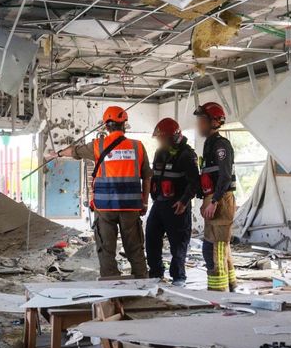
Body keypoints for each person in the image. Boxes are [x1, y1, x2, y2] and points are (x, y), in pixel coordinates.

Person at [47, 106, 151, 278]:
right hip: (130, 208)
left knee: (106, 250)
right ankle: (142, 286)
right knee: (135, 249)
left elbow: (74, 151)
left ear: (106, 126)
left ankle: (112, 290)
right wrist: (145, 202)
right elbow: (147, 177)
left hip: (105, 208)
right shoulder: (137, 147)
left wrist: (57, 153)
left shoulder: (98, 145)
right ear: (124, 124)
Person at [145, 118, 200, 286]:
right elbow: (154, 177)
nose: (159, 142)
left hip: (177, 207)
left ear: (172, 138)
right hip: (160, 204)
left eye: (161, 138)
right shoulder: (159, 153)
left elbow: (195, 183)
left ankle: (178, 278)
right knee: (151, 237)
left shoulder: (187, 155)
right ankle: (156, 273)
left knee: (178, 244)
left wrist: (183, 201)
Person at [194, 102, 237, 292]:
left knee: (214, 249)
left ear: (214, 122)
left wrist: (214, 200)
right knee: (221, 248)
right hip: (213, 197)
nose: (199, 125)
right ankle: (231, 287)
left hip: (221, 198)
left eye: (202, 121)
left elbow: (225, 176)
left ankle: (218, 292)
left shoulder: (221, 145)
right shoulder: (209, 144)